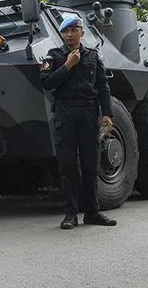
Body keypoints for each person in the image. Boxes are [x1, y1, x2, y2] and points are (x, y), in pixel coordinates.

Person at [40, 16, 117, 230]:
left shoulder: (92, 55)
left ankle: (92, 212)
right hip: (65, 113)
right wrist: (67, 65)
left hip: (89, 112)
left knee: (91, 164)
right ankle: (71, 213)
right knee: (68, 166)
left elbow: (103, 85)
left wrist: (107, 113)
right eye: (66, 31)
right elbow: (47, 82)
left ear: (82, 33)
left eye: (74, 30)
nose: (70, 35)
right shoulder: (54, 56)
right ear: (62, 34)